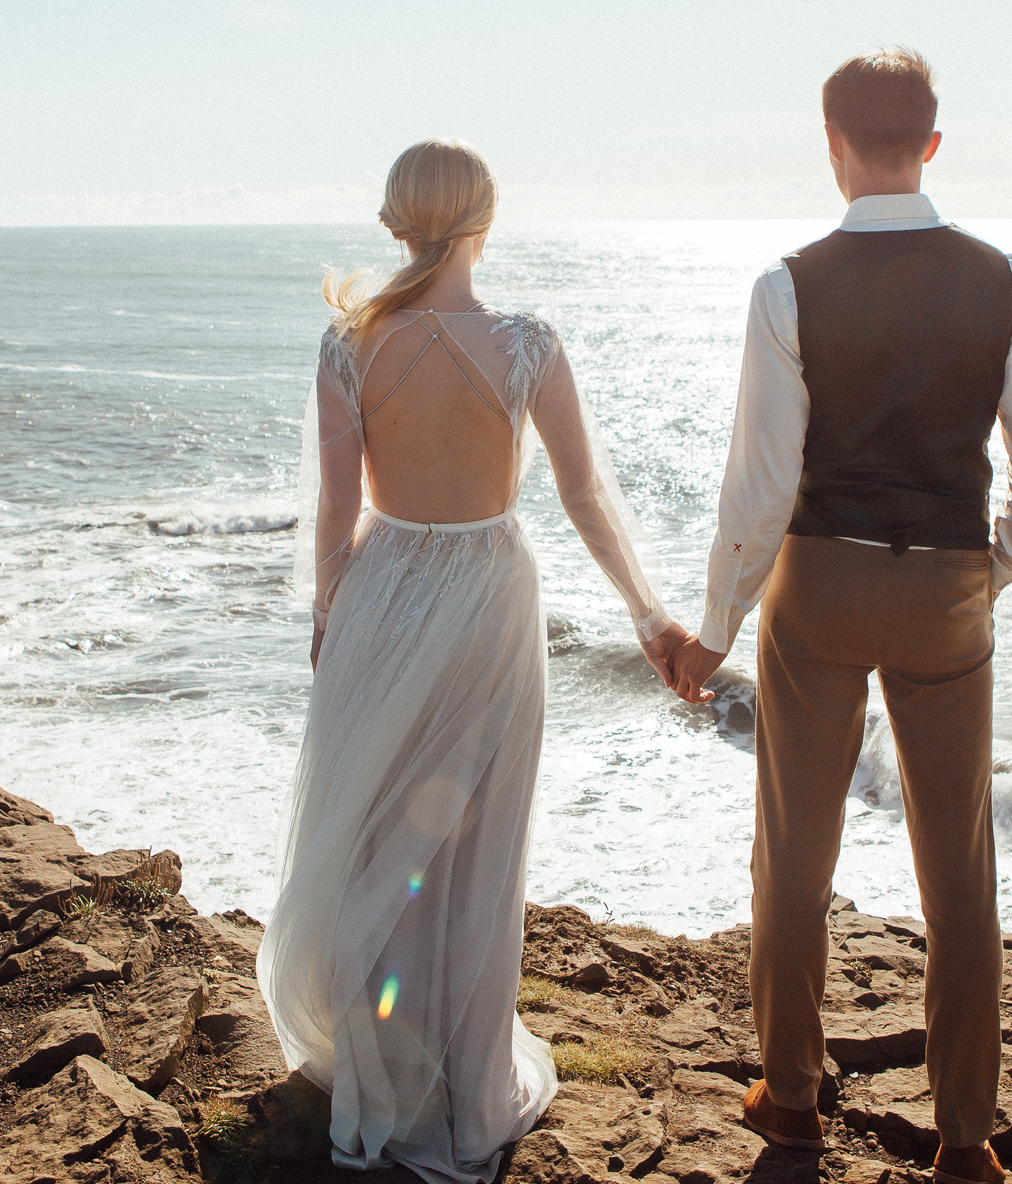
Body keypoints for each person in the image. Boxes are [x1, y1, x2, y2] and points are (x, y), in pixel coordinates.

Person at [261, 139, 707, 1184]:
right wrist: (649, 613)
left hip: (384, 591)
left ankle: (378, 1060)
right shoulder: (527, 344)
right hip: (487, 595)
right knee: (474, 838)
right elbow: (585, 495)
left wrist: (331, 613)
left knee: (374, 827)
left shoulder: (347, 344)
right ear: (484, 219)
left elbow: (335, 508)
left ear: (394, 221)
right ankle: (461, 1083)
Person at [666, 49, 1012, 1184]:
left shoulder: (786, 285)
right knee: (959, 866)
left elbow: (757, 496)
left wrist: (713, 630)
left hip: (820, 588)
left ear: (831, 143)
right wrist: (994, 572)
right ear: (931, 145)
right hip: (946, 587)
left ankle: (790, 1102)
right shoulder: (1007, 280)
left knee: (795, 851)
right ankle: (965, 1140)